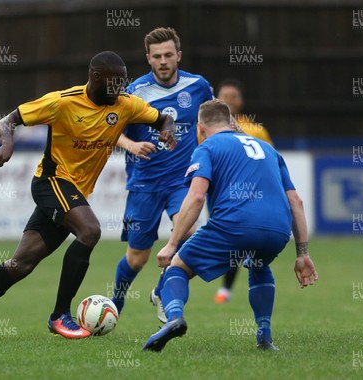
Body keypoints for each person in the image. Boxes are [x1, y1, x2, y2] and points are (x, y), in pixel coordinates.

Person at [0, 51, 176, 341]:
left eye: (123, 83)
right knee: (90, 230)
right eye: (114, 83)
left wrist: (167, 132)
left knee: (19, 266)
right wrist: (8, 144)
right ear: (95, 78)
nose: (119, 89)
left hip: (73, 193)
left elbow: (163, 119)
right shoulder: (63, 102)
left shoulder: (125, 105)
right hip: (51, 182)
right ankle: (60, 314)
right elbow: (7, 121)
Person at [142, 99, 318, 352]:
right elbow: (296, 202)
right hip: (277, 230)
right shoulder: (269, 150)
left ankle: (174, 318)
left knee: (176, 268)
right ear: (233, 123)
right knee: (258, 264)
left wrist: (171, 244)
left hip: (234, 225)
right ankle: (265, 338)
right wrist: (303, 254)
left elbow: (197, 196)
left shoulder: (207, 147)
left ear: (200, 128)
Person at [110, 27, 213, 322]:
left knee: (190, 236)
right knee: (137, 258)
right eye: (157, 56)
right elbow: (111, 132)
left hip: (182, 181)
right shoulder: (134, 93)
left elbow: (214, 120)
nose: (164, 61)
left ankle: (161, 290)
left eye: (169, 55)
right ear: (148, 59)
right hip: (144, 184)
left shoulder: (198, 86)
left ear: (178, 56)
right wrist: (132, 144)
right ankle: (116, 302)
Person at [213, 78, 274, 304]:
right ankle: (226, 287)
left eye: (233, 96)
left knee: (244, 242)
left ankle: (227, 290)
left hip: (252, 196)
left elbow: (270, 160)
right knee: (233, 245)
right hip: (221, 196)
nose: (229, 101)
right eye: (224, 96)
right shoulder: (205, 129)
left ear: (241, 100)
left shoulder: (256, 130)